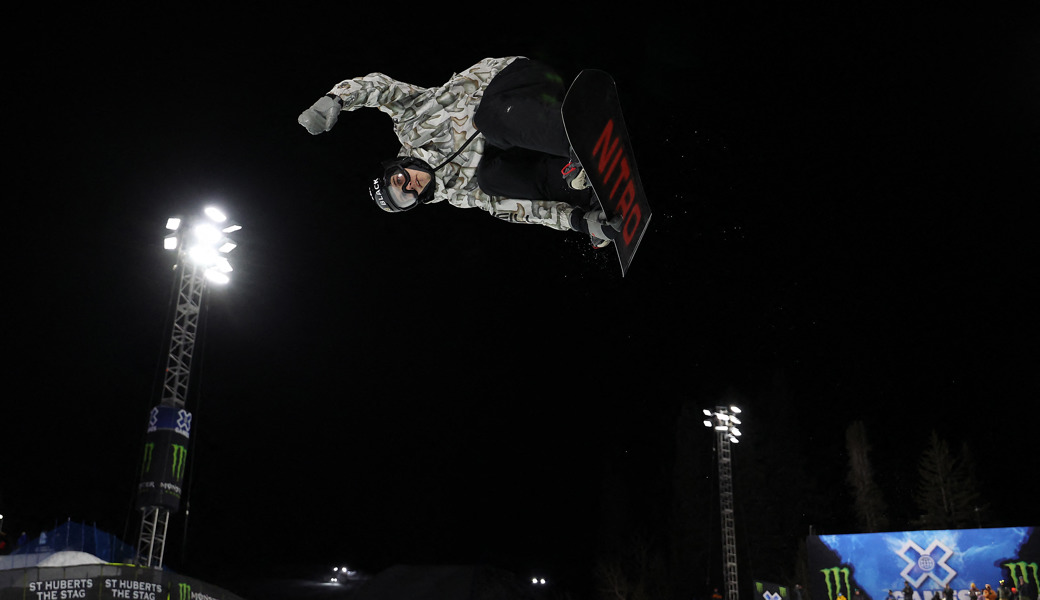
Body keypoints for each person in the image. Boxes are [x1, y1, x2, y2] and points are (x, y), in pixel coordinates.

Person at [298, 56, 623, 248]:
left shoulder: (411, 122)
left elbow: (381, 89)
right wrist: (579, 223)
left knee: (489, 121)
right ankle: (582, 191)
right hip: (532, 139)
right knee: (491, 181)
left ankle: (574, 140)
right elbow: (514, 208)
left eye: (399, 180)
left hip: (516, 83)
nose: (411, 184)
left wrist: (336, 99)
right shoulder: (455, 193)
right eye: (408, 195)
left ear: (395, 164)